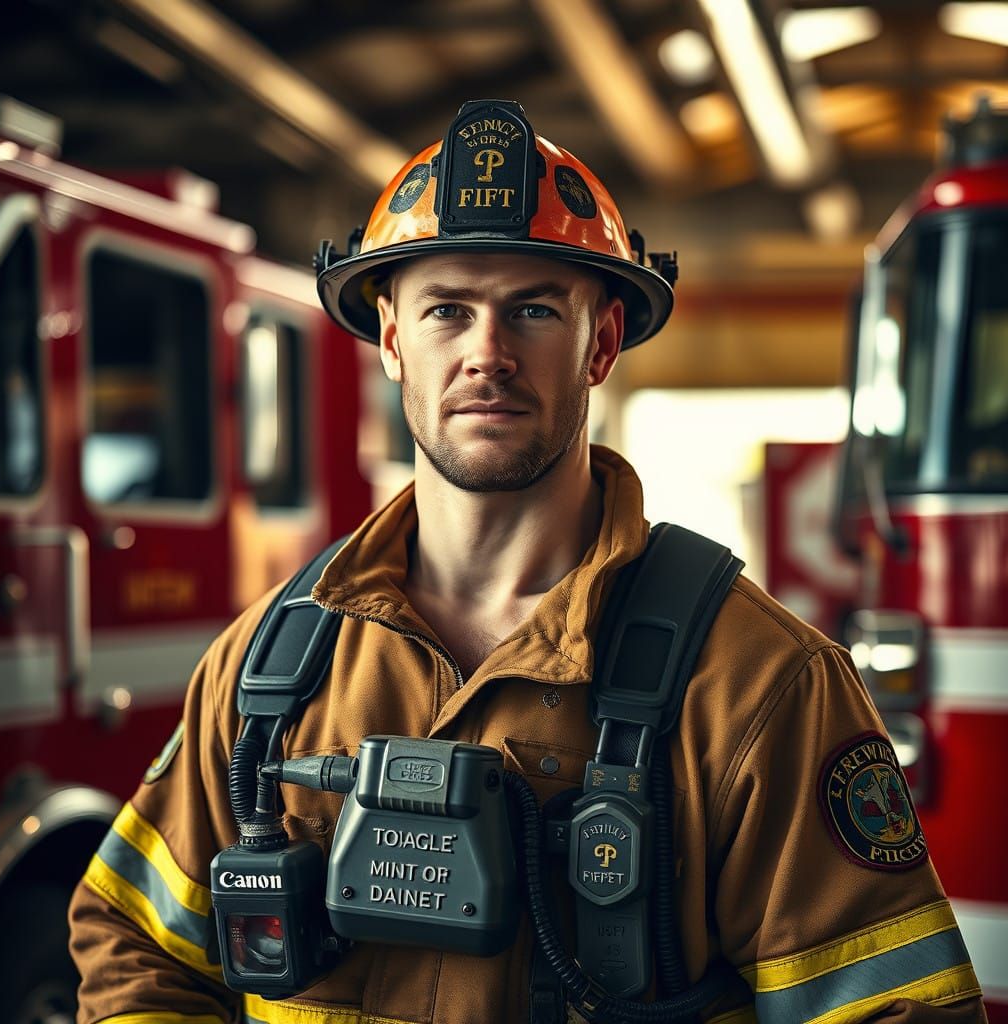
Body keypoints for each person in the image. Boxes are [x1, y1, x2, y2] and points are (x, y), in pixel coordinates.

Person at [69, 99, 986, 1024]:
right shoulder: (266, 670)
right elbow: (135, 939)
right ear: (392, 340)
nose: (487, 355)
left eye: (534, 310)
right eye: (446, 311)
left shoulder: (760, 687)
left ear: (602, 343)